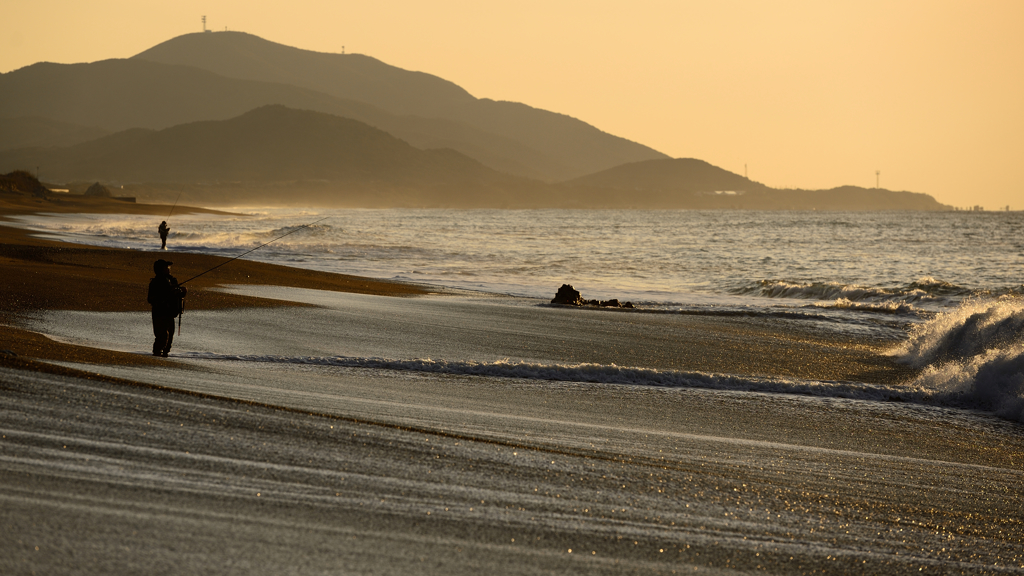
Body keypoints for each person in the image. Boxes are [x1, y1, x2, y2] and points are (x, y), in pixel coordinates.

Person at [147, 259, 186, 357]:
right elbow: (151, 299)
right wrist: (168, 293)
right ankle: (156, 355)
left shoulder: (171, 280)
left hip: (170, 313)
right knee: (162, 336)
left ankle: (163, 356)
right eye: (166, 267)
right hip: (160, 313)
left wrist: (181, 292)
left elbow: (176, 295)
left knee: (169, 339)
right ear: (160, 269)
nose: (169, 269)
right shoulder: (155, 283)